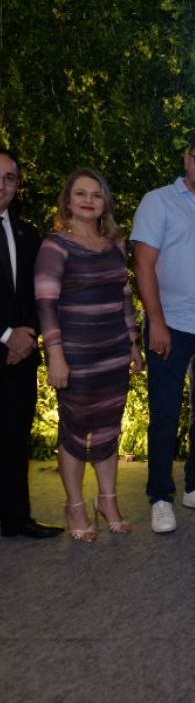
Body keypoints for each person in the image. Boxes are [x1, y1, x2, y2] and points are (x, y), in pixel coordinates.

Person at [132, 136, 195, 533]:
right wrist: (156, 322)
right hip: (171, 325)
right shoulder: (158, 202)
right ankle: (160, 496)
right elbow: (144, 265)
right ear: (186, 160)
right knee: (164, 414)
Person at [34, 169, 142, 542]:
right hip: (75, 356)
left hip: (114, 352)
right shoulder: (54, 246)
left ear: (104, 203)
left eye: (96, 195)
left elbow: (124, 297)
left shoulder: (115, 244)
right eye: (80, 193)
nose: (88, 200)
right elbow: (45, 305)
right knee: (75, 430)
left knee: (110, 426)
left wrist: (133, 344)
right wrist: (55, 355)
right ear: (67, 200)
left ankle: (108, 502)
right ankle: (75, 506)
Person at [0, 149, 63, 539]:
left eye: (9, 178)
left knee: (14, 437)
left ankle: (16, 518)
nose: (2, 185)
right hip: (8, 342)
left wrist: (27, 333)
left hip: (19, 356)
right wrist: (5, 334)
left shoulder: (27, 234)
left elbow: (40, 294)